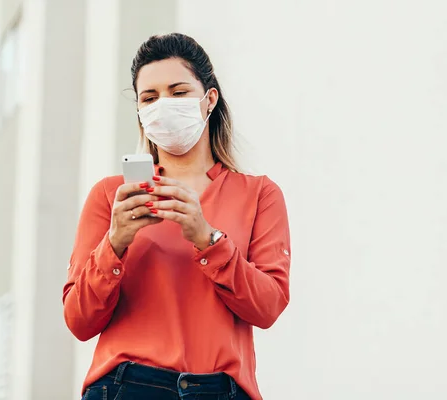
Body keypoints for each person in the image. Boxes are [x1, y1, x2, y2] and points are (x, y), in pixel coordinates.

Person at [63, 33, 291, 400]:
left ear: (209, 100)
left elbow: (267, 308)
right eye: (149, 98)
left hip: (221, 390)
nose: (163, 105)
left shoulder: (259, 194)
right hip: (127, 387)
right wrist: (115, 242)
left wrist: (208, 239)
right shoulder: (110, 196)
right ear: (139, 111)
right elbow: (78, 320)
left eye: (178, 91)